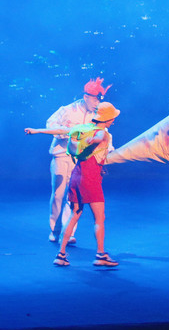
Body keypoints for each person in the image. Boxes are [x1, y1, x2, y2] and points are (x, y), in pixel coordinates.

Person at [25, 78, 111, 244]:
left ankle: (68, 232)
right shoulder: (67, 110)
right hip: (61, 154)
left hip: (82, 160)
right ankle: (55, 230)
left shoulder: (97, 114)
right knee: (58, 194)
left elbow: (104, 135)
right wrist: (69, 134)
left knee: (73, 196)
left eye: (99, 99)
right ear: (86, 97)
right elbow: (51, 124)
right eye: (95, 99)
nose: (97, 102)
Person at [53, 102, 121, 267]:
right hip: (90, 178)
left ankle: (61, 255)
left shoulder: (84, 128)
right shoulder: (102, 133)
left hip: (77, 175)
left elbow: (62, 131)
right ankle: (100, 255)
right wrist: (93, 140)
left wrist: (36, 131)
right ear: (107, 119)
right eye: (112, 118)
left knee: (74, 215)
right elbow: (99, 137)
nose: (113, 121)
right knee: (99, 218)